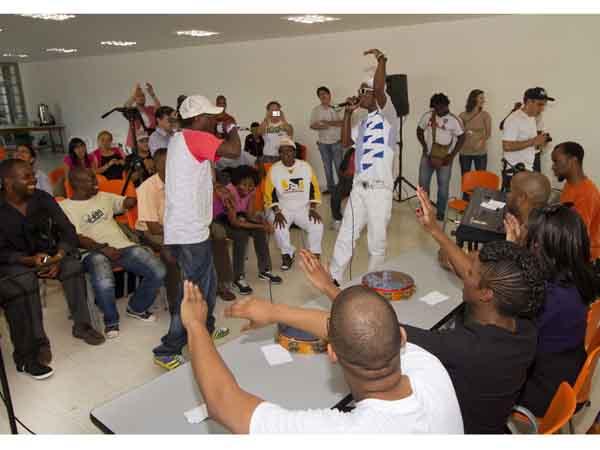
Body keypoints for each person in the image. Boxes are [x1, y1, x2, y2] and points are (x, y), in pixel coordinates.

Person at [182, 278, 463, 433]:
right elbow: (359, 328)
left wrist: (195, 325)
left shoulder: (344, 434)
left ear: (332, 352)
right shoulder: (430, 368)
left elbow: (224, 404)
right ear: (401, 337)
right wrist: (275, 312)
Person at [155, 94, 241, 367]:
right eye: (211, 117)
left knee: (208, 281)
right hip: (189, 230)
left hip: (186, 226)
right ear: (199, 118)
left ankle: (206, 327)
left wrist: (216, 188)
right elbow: (234, 150)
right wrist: (231, 126)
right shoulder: (195, 137)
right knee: (192, 291)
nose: (215, 120)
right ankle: (168, 349)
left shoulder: (181, 139)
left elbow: (193, 174)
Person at [0, 160, 106, 378]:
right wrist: (29, 260)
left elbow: (68, 230)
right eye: (26, 177)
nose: (34, 179)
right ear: (8, 182)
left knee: (73, 266)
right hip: (16, 262)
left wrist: (58, 257)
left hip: (51, 254)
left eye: (32, 175)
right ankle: (39, 342)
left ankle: (82, 326)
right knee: (26, 281)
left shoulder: (43, 198)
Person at [60, 168, 166, 339]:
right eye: (91, 179)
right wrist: (103, 248)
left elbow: (126, 203)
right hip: (92, 252)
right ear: (76, 184)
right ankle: (111, 322)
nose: (96, 182)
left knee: (158, 270)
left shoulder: (103, 196)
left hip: (123, 247)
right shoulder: (65, 207)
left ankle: (136, 308)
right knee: (103, 278)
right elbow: (76, 238)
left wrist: (140, 191)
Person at [516, 204, 594, 417]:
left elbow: (510, 336)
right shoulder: (576, 279)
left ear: (542, 248)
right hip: (564, 374)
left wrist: (513, 253)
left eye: (532, 240)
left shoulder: (549, 297)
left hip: (543, 391)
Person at [329, 49, 397, 283]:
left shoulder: (388, 116)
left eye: (362, 91)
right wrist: (348, 114)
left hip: (379, 190)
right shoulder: (364, 122)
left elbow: (378, 89)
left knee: (377, 242)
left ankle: (374, 281)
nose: (358, 95)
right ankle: (334, 278)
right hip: (359, 188)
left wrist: (381, 60)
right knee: (346, 235)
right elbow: (345, 142)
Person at [213, 165, 282, 295]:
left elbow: (249, 215)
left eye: (251, 185)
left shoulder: (252, 191)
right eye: (244, 184)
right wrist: (261, 226)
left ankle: (264, 270)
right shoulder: (229, 192)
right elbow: (235, 222)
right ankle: (238, 277)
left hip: (237, 216)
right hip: (221, 219)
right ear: (237, 182)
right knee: (241, 235)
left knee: (259, 232)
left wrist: (262, 222)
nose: (248, 188)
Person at [264, 137, 323, 271]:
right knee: (279, 226)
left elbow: (314, 188)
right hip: (283, 208)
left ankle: (314, 254)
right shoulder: (274, 169)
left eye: (289, 151)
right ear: (279, 154)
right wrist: (277, 212)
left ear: (294, 152)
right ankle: (287, 253)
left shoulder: (305, 167)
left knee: (317, 224)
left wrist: (313, 209)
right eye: (282, 152)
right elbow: (269, 193)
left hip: (303, 207)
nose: (286, 154)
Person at [417, 93, 465, 221]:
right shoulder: (428, 116)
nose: (437, 110)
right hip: (427, 157)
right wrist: (424, 146)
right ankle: (425, 210)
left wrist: (452, 155)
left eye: (440, 107)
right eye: (435, 108)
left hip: (445, 159)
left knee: (443, 187)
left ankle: (441, 212)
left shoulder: (454, 120)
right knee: (423, 185)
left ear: (446, 105)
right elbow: (419, 130)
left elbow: (462, 137)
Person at [551, 141, 600, 261]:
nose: (553, 167)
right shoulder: (570, 185)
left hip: (583, 259)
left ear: (573, 161)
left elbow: (577, 238)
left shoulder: (586, 193)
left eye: (556, 161)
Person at [501, 87, 554, 189]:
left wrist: (540, 144)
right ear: (529, 102)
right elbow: (506, 146)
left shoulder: (531, 118)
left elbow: (528, 144)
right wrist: (533, 141)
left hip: (528, 170)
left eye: (544, 105)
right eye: (539, 104)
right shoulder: (514, 119)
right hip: (515, 173)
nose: (542, 108)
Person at [310, 86, 344, 194]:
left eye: (325, 93)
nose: (323, 96)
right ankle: (331, 188)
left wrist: (327, 123)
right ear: (318, 97)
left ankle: (342, 188)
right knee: (327, 167)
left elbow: (343, 122)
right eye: (320, 94)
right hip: (323, 143)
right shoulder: (316, 110)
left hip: (337, 142)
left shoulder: (337, 107)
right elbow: (312, 125)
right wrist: (320, 126)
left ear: (329, 94)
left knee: (339, 167)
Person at [458, 89, 491, 176]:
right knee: (465, 178)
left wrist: (482, 141)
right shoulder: (462, 115)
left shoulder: (485, 115)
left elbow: (488, 134)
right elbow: (459, 133)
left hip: (480, 153)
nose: (483, 100)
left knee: (481, 179)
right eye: (481, 98)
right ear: (474, 99)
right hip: (465, 152)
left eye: (483, 98)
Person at [124, 82, 161, 149]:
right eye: (138, 96)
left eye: (143, 96)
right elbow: (125, 107)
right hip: (136, 142)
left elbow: (159, 109)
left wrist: (152, 94)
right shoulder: (132, 110)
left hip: (149, 140)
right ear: (135, 99)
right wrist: (134, 95)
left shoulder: (150, 109)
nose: (141, 98)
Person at [257, 101, 294, 165]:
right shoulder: (265, 124)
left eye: (276, 110)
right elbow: (259, 132)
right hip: (268, 156)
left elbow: (290, 132)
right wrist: (266, 118)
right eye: (272, 110)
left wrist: (283, 119)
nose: (274, 112)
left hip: (283, 156)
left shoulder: (285, 124)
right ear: (268, 111)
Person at [330, 146, 355, 230]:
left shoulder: (367, 152)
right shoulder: (351, 151)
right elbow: (342, 166)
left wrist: (352, 175)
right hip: (345, 179)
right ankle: (337, 219)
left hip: (357, 180)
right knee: (335, 195)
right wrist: (342, 174)